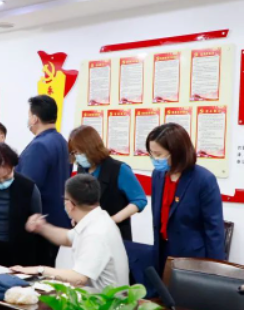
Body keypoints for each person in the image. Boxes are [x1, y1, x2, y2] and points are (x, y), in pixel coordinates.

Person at [12, 174, 129, 291]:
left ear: (70, 204)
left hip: (104, 300)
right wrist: (42, 227)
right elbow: (67, 238)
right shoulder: (98, 218)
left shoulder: (95, 233)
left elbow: (79, 277)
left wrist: (39, 270)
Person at [147, 123, 225, 276]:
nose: (154, 159)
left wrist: (215, 271)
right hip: (163, 251)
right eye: (151, 153)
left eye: (158, 154)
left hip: (192, 257)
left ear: (176, 152)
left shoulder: (203, 179)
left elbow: (214, 229)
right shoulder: (158, 175)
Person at [15, 95, 72, 265]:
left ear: (34, 119)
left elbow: (27, 187)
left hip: (40, 223)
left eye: (29, 116)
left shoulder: (39, 146)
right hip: (58, 220)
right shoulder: (62, 142)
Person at [68, 125, 147, 241]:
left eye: (79, 152)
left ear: (91, 147)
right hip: (87, 235)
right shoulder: (82, 169)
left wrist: (113, 219)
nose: (77, 156)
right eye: (74, 152)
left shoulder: (119, 169)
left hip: (114, 234)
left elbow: (140, 200)